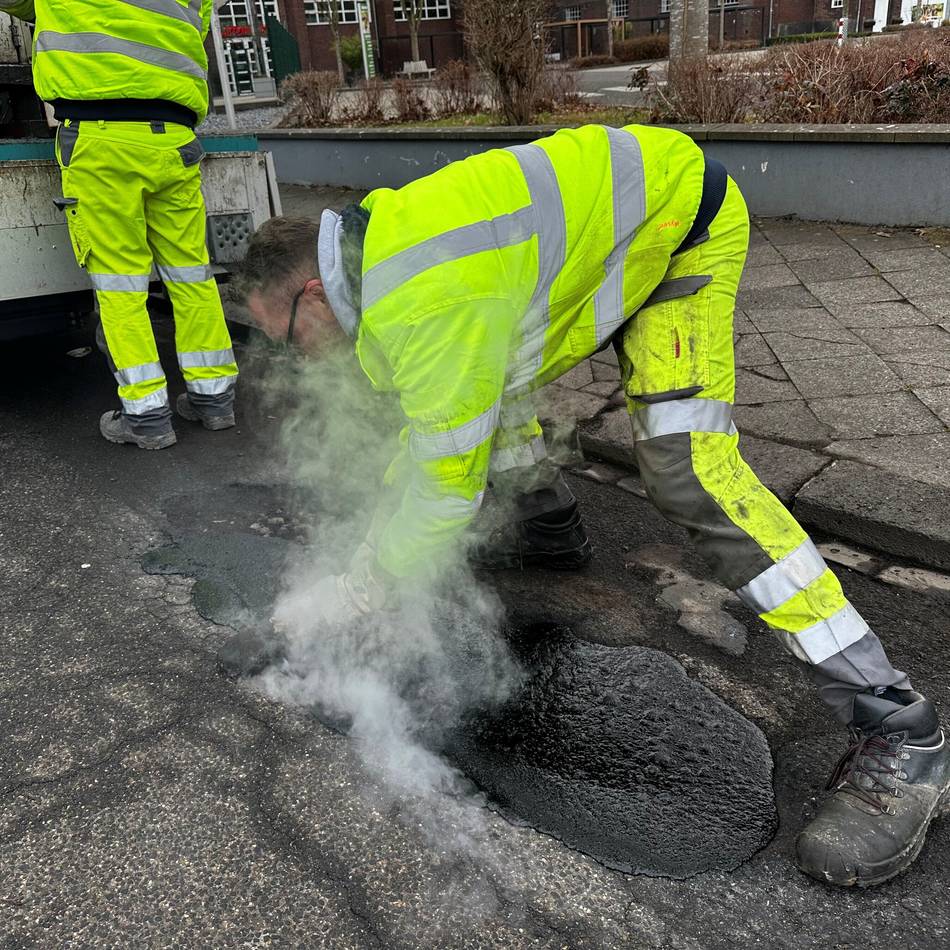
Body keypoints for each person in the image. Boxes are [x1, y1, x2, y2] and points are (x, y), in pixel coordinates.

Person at [230, 123, 949, 888]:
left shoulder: (421, 301)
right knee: (485, 400)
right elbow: (442, 435)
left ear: (312, 293)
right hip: (625, 213)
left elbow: (444, 484)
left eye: (281, 340)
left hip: (679, 228)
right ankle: (544, 520)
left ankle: (900, 727)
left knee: (686, 471)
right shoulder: (383, 254)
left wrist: (367, 584)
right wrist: (365, 558)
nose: (288, 359)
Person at [1, 0, 239, 448]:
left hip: (100, 139)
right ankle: (214, 401)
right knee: (192, 276)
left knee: (120, 284)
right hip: (175, 138)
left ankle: (147, 417)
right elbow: (199, 21)